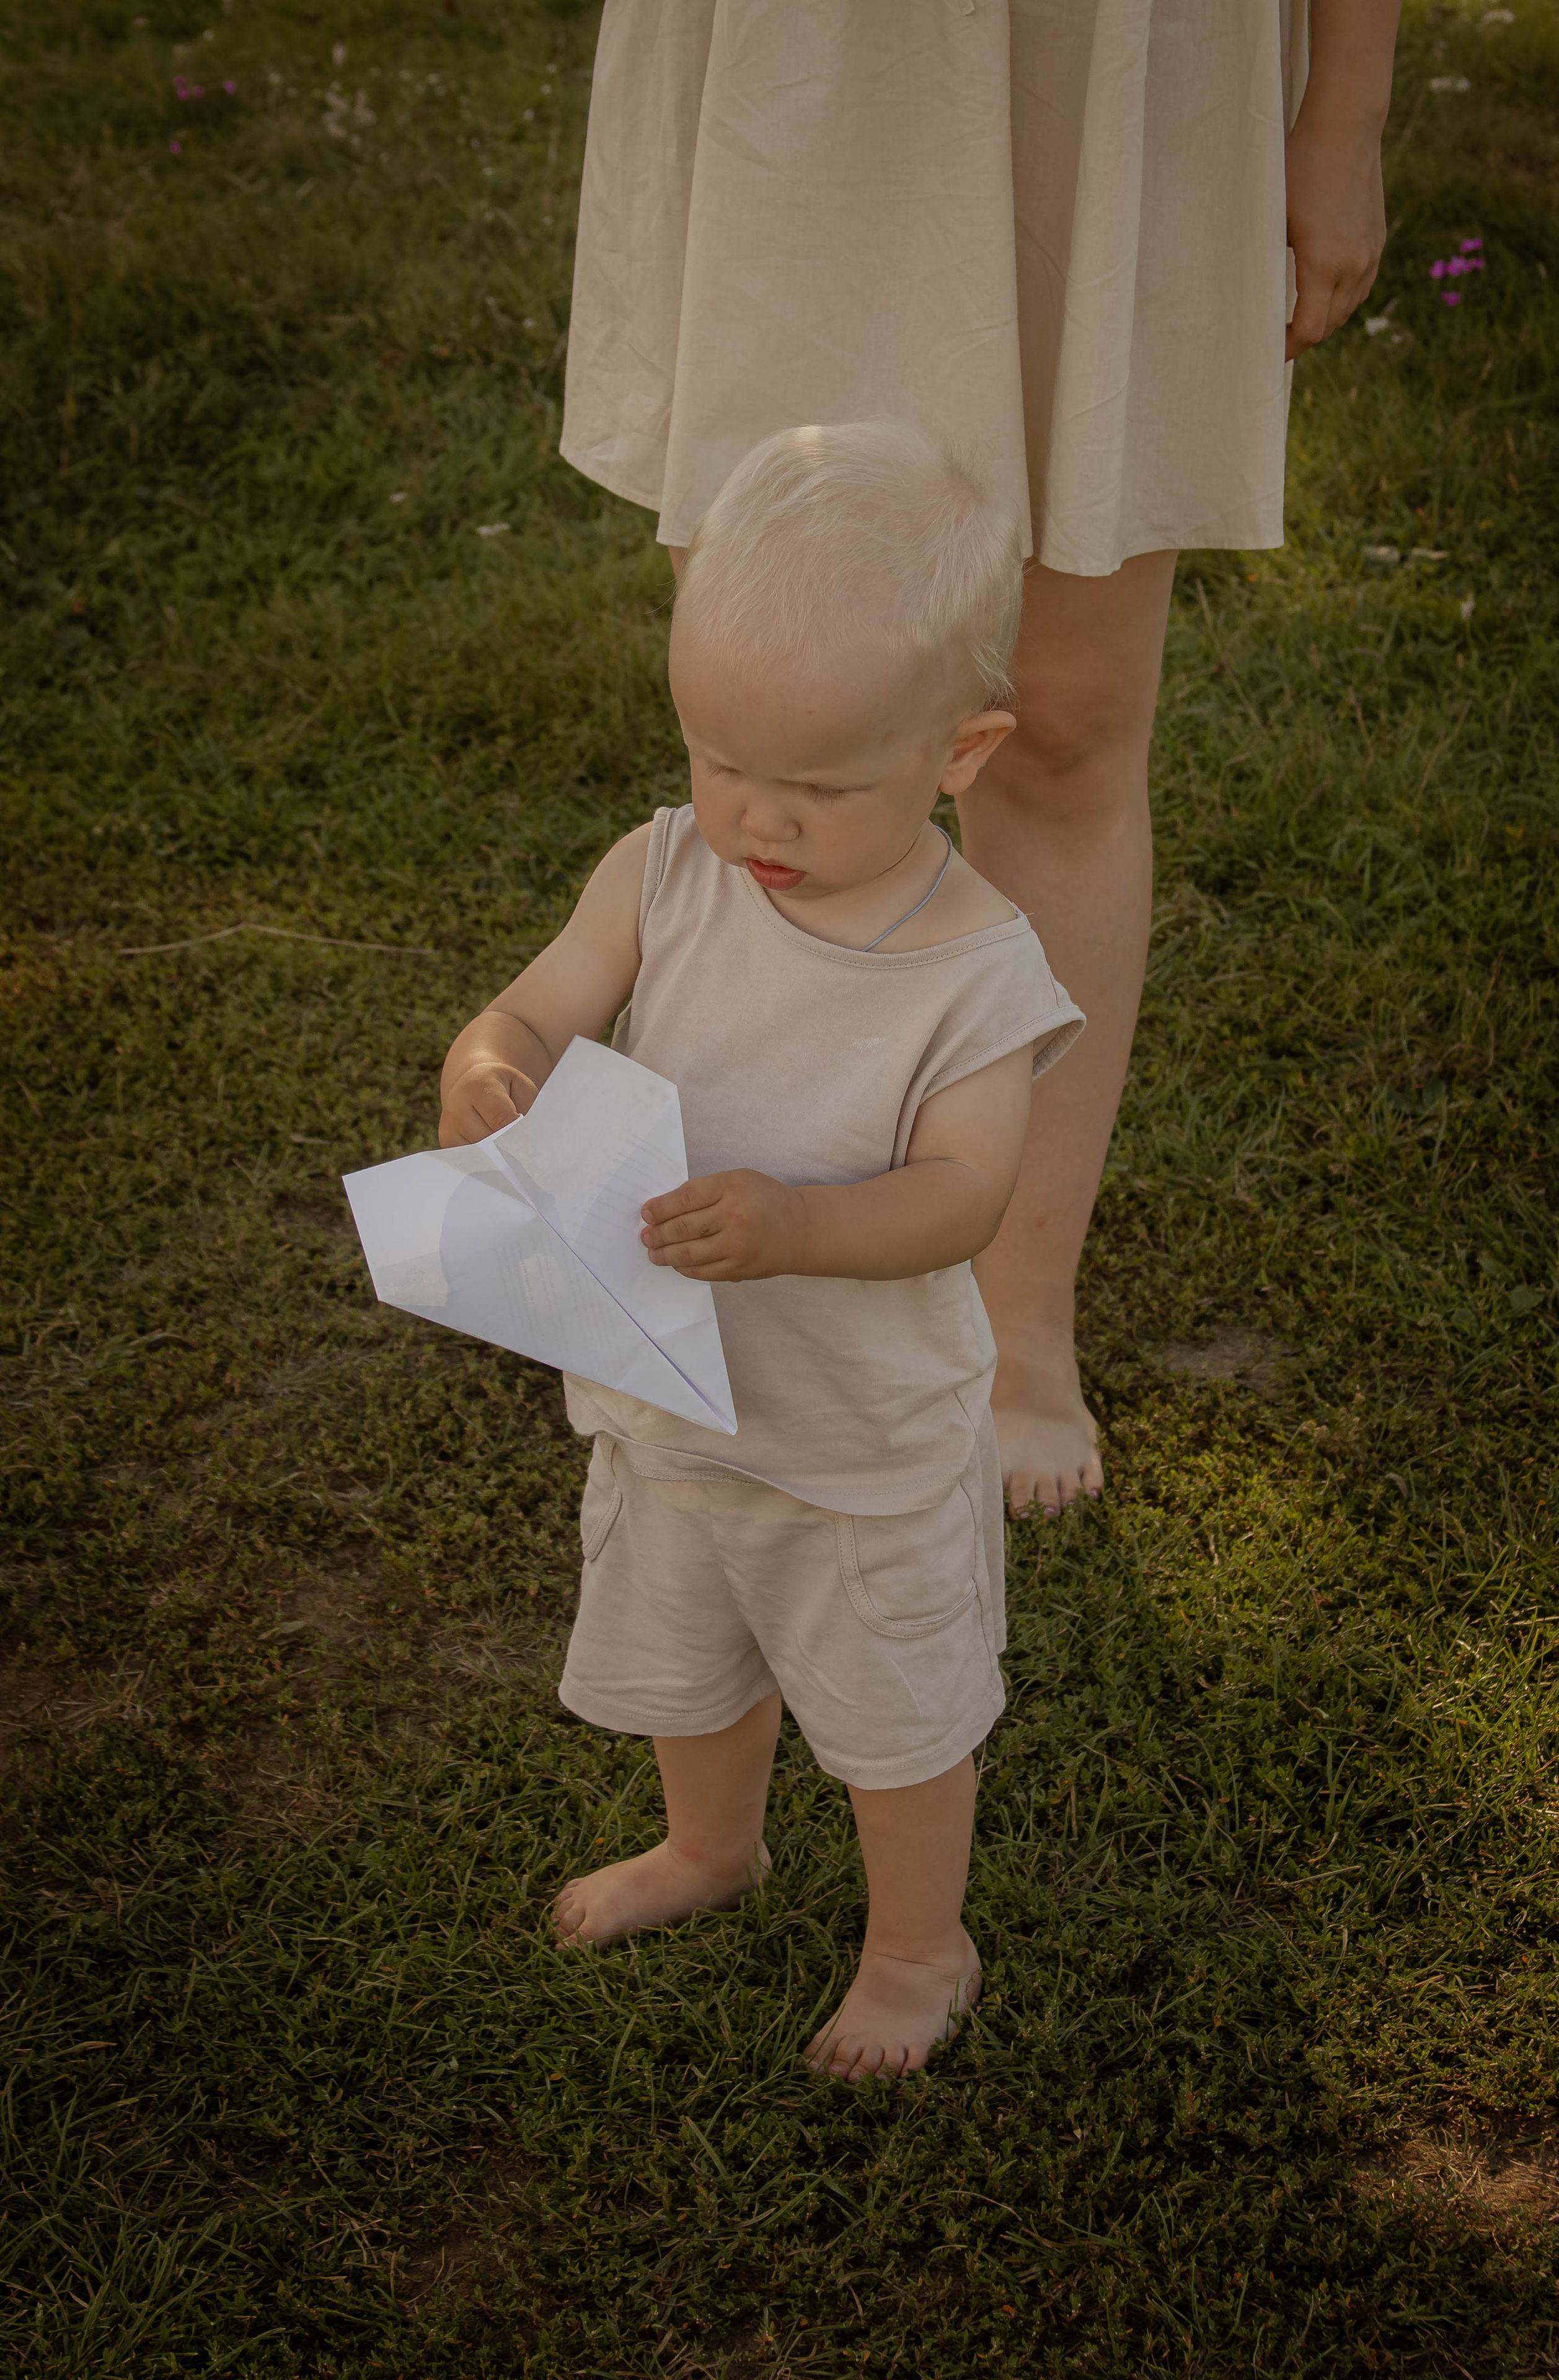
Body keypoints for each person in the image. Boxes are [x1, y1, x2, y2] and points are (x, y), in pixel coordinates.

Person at [558, 0, 1403, 1518]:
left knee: (1067, 719)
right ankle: (739, 1270)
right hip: (804, 65)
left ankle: (1014, 1320)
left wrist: (1342, 110)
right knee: (784, 707)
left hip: (1108, 58)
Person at [438, 423, 1082, 2079]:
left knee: (891, 1713)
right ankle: (713, 1846)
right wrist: (492, 1071)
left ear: (963, 748)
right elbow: (532, 1009)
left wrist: (799, 1224)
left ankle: (920, 1948)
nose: (753, 815)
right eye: (720, 760)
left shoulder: (974, 970)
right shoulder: (664, 873)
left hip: (858, 1435)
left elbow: (963, 1196)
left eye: (814, 785)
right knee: (689, 1647)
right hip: (669, 1395)